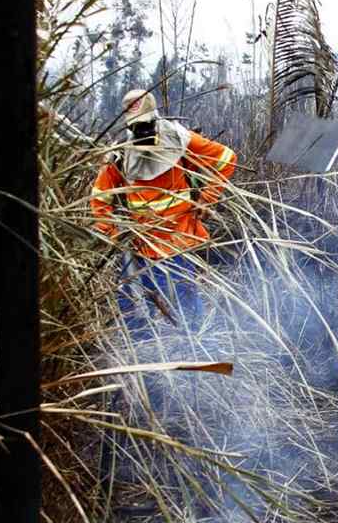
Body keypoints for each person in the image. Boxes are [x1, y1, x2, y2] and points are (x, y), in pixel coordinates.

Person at [90, 89, 237, 342]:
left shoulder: (180, 138)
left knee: (183, 295)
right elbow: (100, 197)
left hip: (177, 239)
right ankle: (144, 348)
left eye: (146, 125)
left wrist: (207, 198)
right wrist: (112, 233)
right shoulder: (121, 153)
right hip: (139, 243)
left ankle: (195, 343)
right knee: (130, 299)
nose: (143, 132)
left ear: (155, 119)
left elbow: (227, 158)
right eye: (136, 127)